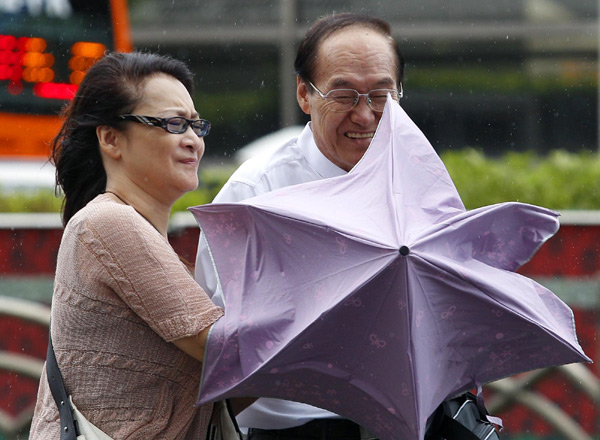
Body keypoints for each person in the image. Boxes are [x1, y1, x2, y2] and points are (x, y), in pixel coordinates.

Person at [195, 13, 404, 440]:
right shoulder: (256, 194)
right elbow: (213, 337)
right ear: (304, 95)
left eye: (381, 95)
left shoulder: (418, 179)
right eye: (345, 94)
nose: (365, 116)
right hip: (295, 428)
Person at [30, 51, 225, 439]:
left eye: (195, 125)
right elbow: (220, 347)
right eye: (173, 123)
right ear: (110, 138)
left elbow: (226, 382)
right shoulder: (109, 223)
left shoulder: (129, 231)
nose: (192, 141)